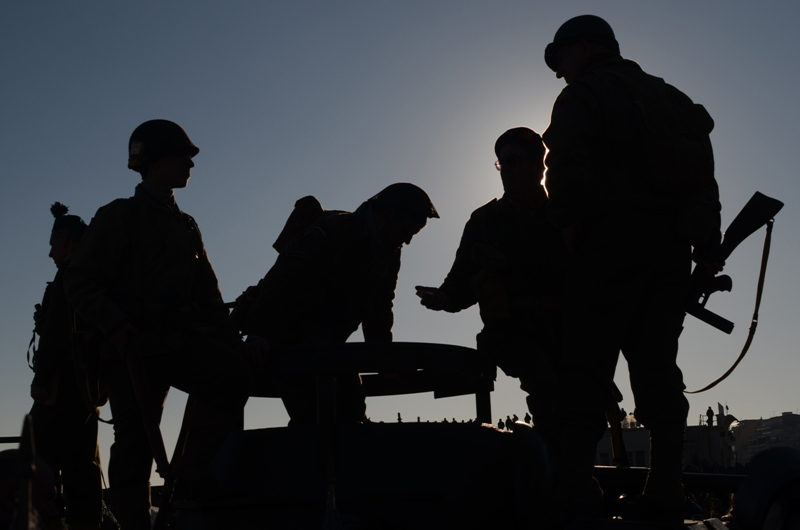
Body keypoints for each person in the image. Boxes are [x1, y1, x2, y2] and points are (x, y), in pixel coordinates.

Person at [541, 15, 721, 524]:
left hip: (607, 246)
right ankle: (664, 492)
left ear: (583, 48)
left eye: (563, 60)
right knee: (659, 373)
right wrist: (704, 247)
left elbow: (568, 169)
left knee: (584, 369)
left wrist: (573, 237)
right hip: (667, 254)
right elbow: (703, 180)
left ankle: (576, 493)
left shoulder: (584, 94)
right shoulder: (671, 98)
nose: (560, 74)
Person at [64, 119, 252, 530]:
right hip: (132, 347)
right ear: (154, 160)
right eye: (182, 157)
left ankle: (190, 476)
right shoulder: (120, 216)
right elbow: (78, 279)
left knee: (233, 375)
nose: (190, 165)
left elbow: (209, 297)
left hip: (178, 341)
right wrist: (115, 326)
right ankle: (135, 526)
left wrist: (232, 343)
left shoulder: (186, 225)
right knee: (135, 446)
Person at [417, 128, 568, 449]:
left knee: (583, 404)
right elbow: (459, 285)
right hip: (513, 332)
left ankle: (574, 480)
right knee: (547, 390)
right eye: (502, 163)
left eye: (515, 161)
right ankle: (554, 478)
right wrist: (442, 298)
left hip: (568, 329)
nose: (508, 170)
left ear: (539, 165)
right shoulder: (484, 221)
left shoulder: (566, 213)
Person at [241, 183, 438, 425]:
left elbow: (380, 305)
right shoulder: (330, 232)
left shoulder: (390, 250)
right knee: (318, 416)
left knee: (353, 412)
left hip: (329, 344)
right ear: (387, 218)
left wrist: (382, 357)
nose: (407, 241)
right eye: (407, 232)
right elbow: (282, 279)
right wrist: (259, 332)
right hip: (288, 340)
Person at [29, 203, 103, 530]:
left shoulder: (68, 278)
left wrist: (42, 380)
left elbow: (58, 334)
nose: (49, 254)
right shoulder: (94, 276)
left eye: (52, 245)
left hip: (61, 388)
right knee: (81, 464)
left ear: (66, 243)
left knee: (33, 460)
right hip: (89, 388)